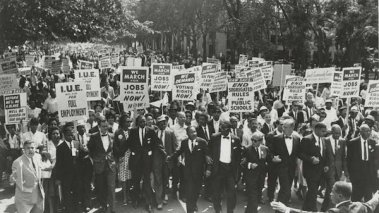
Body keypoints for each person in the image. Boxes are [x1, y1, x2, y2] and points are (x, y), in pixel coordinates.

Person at [125, 115, 166, 212]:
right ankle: (135, 200)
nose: (143, 123)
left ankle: (149, 204)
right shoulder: (133, 131)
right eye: (141, 122)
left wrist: (163, 151)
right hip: (136, 162)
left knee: (147, 182)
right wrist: (119, 152)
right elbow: (128, 143)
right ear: (137, 123)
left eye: (144, 121)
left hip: (147, 161)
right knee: (136, 181)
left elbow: (157, 142)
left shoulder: (150, 131)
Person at [168, 126, 211, 213]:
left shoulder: (202, 142)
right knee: (189, 193)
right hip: (188, 172)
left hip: (199, 173)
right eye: (191, 132)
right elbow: (179, 151)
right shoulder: (184, 142)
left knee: (196, 192)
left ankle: (194, 204)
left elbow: (208, 157)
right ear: (187, 134)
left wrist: (208, 169)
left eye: (195, 131)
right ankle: (190, 210)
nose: (194, 133)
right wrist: (170, 157)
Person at [272, 181, 379, 213]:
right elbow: (371, 204)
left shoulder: (335, 211)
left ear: (340, 196)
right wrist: (377, 196)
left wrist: (287, 209)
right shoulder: (360, 206)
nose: (329, 194)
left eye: (332, 192)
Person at [209, 121, 242, 213]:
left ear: (229, 129)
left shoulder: (236, 139)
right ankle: (217, 210)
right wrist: (207, 157)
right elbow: (209, 150)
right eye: (221, 128)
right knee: (216, 194)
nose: (222, 130)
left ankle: (230, 211)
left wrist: (238, 173)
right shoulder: (214, 137)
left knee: (231, 194)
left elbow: (239, 157)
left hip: (230, 170)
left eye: (225, 129)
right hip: (218, 169)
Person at [87, 117, 117, 213]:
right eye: (103, 126)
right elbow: (90, 150)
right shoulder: (94, 136)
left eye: (106, 126)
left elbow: (115, 150)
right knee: (101, 188)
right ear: (99, 127)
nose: (105, 128)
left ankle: (112, 209)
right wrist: (96, 159)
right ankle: (104, 206)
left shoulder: (112, 136)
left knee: (112, 187)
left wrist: (114, 161)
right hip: (99, 166)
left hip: (110, 165)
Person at [300, 122, 330, 211]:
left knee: (312, 192)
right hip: (310, 171)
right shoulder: (307, 139)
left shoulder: (324, 139)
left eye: (325, 131)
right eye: (323, 131)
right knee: (313, 192)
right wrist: (311, 159)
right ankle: (314, 210)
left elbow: (325, 154)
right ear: (316, 130)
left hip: (320, 171)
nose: (324, 133)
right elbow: (300, 154)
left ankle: (305, 209)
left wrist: (326, 165)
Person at [270, 118, 301, 206]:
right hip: (281, 168)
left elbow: (299, 153)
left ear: (292, 128)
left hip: (291, 168)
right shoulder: (276, 138)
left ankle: (279, 207)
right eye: (283, 127)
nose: (283, 129)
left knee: (285, 190)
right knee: (286, 189)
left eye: (286, 127)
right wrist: (273, 158)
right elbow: (271, 152)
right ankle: (284, 206)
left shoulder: (297, 138)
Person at [11, 140, 45, 213]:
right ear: (24, 150)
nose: (30, 150)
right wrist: (13, 178)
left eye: (32, 148)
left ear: (35, 149)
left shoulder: (38, 157)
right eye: (28, 148)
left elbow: (39, 171)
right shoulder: (18, 162)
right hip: (24, 198)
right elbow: (15, 179)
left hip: (38, 195)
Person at [55, 123, 82, 213]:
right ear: (64, 135)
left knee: (77, 193)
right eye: (68, 135)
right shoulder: (60, 147)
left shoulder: (77, 143)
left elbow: (82, 158)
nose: (71, 137)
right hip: (66, 176)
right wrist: (58, 178)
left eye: (72, 135)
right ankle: (69, 210)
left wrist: (80, 154)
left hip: (77, 174)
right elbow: (58, 164)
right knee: (67, 194)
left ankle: (77, 210)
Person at [347, 124, 377, 202]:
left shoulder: (372, 142)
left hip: (369, 172)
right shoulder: (353, 143)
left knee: (368, 196)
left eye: (369, 131)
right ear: (360, 132)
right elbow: (349, 160)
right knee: (356, 196)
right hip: (357, 172)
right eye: (366, 131)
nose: (368, 133)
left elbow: (374, 159)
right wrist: (350, 174)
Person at [321, 125, 348, 211]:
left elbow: (343, 157)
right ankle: (332, 210)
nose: (338, 135)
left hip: (339, 170)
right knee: (333, 190)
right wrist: (324, 166)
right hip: (329, 170)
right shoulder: (325, 140)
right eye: (336, 133)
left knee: (330, 191)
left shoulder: (342, 141)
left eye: (339, 133)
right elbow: (323, 155)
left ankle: (323, 209)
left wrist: (345, 172)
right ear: (331, 132)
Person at [153, 115, 177, 210]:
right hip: (156, 160)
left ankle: (164, 195)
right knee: (158, 180)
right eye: (160, 123)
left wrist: (175, 158)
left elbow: (175, 146)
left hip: (167, 160)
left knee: (165, 179)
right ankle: (159, 201)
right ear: (157, 124)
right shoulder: (154, 133)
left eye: (164, 122)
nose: (163, 124)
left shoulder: (170, 132)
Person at [241, 132, 269, 213]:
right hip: (250, 177)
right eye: (252, 140)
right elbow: (242, 162)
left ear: (260, 141)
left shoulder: (265, 149)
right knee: (253, 197)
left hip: (261, 177)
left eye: (255, 141)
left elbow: (268, 161)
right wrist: (250, 165)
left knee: (255, 197)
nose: (253, 142)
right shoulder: (247, 149)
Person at [113, 114, 132, 205]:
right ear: (122, 122)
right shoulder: (118, 132)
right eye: (127, 122)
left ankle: (129, 195)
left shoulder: (132, 131)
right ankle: (124, 196)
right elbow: (115, 147)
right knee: (124, 179)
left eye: (129, 121)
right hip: (122, 158)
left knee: (129, 178)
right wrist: (118, 158)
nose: (128, 123)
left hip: (131, 158)